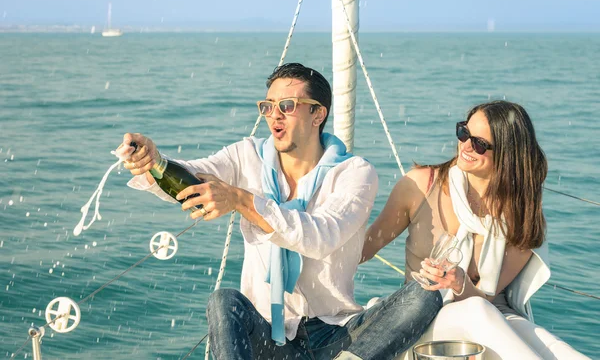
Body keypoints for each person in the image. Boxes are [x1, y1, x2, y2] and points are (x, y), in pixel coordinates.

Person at [120, 63, 442, 360]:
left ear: (317, 114)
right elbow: (192, 178)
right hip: (267, 335)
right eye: (268, 106)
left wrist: (242, 201)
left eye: (287, 106)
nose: (275, 116)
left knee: (425, 294)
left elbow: (320, 235)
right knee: (224, 302)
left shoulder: (355, 173)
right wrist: (154, 164)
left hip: (336, 333)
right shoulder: (246, 157)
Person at [361, 100, 590, 360]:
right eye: (463, 133)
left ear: (509, 153)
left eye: (480, 144)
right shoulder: (423, 185)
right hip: (421, 317)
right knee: (478, 312)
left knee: (560, 351)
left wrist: (460, 284)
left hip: (491, 312)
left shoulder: (520, 212)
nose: (466, 146)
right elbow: (364, 248)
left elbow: (488, 298)